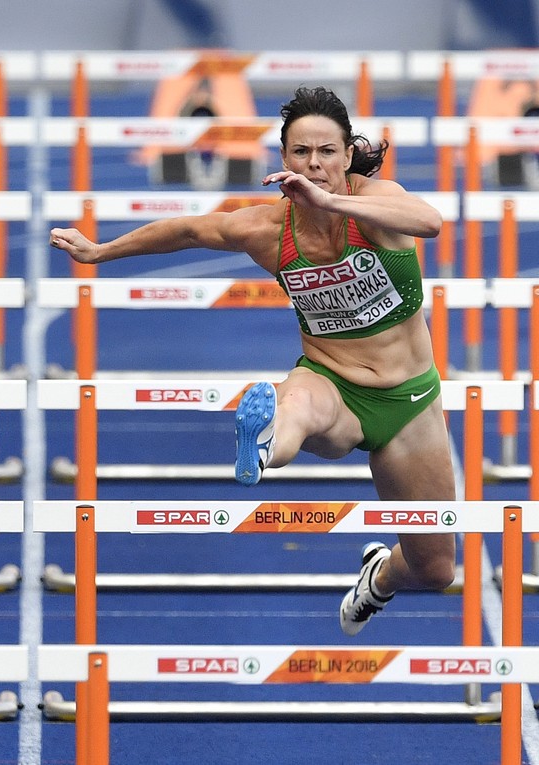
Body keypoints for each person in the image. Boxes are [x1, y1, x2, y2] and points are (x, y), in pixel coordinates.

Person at [49, 86, 452, 637]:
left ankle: (378, 577)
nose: (314, 164)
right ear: (283, 159)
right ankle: (265, 442)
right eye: (301, 153)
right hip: (332, 380)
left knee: (435, 570)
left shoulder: (377, 203)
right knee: (299, 407)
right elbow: (189, 230)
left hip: (410, 403)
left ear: (347, 155)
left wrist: (331, 202)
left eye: (328, 152)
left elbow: (428, 221)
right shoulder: (267, 230)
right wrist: (101, 251)